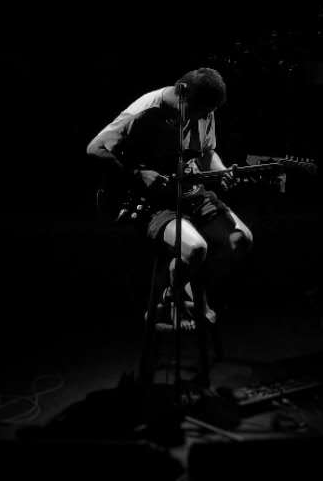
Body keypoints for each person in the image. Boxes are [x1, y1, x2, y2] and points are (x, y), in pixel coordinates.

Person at [86, 67, 253, 327]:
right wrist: (137, 174)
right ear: (183, 95)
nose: (205, 117)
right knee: (196, 249)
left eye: (209, 112)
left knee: (240, 239)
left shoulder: (205, 110)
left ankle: (174, 289)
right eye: (201, 111)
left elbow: (207, 153)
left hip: (190, 191)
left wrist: (221, 172)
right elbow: (95, 148)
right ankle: (184, 296)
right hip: (150, 200)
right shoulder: (146, 110)